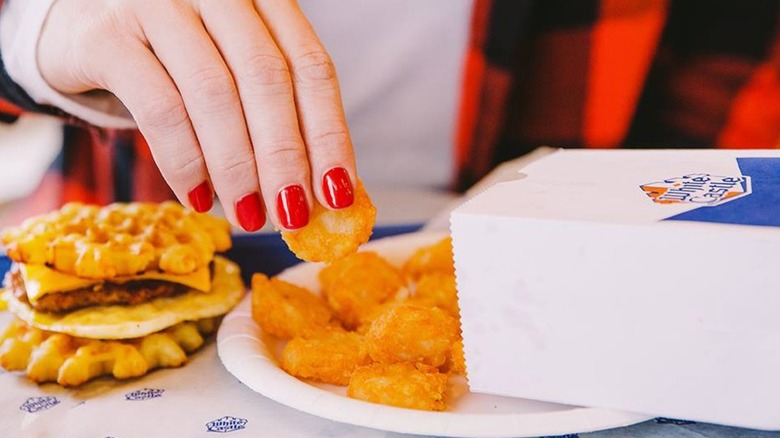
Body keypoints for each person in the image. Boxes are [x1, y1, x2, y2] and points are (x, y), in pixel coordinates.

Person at [0, 0, 778, 231]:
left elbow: (734, 75)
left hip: (571, 297)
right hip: (119, 243)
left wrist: (682, 242)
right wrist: (29, 36)